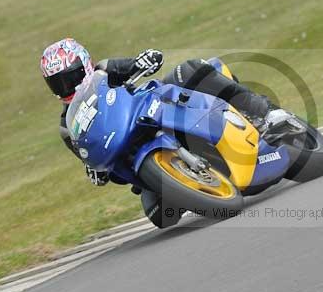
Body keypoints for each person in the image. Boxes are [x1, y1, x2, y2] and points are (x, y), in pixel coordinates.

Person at [40, 38, 288, 186]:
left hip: (152, 112)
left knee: (190, 70)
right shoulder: (67, 125)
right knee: (160, 216)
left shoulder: (104, 71)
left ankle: (264, 113)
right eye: (57, 82)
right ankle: (185, 183)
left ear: (84, 64)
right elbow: (87, 156)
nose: (66, 86)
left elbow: (135, 65)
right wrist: (94, 170)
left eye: (69, 77)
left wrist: (145, 60)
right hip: (133, 158)